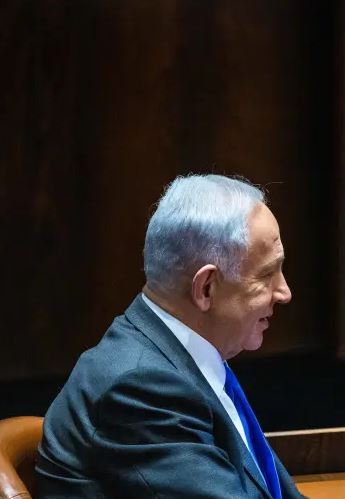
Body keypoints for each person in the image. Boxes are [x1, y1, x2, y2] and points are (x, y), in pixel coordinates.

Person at [36, 174, 304, 498]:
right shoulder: (139, 388)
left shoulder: (180, 360)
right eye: (266, 274)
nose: (284, 292)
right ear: (206, 288)